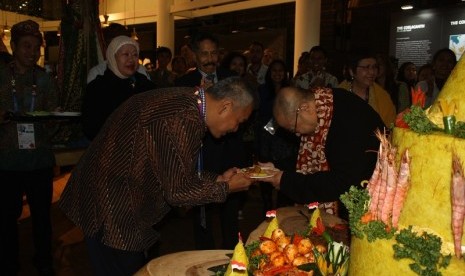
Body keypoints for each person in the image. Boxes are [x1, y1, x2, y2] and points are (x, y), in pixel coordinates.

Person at [59, 76, 257, 275]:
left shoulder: (187, 100)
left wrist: (217, 179)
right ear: (225, 106)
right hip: (111, 208)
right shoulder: (182, 117)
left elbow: (175, 168)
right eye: (239, 121)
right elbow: (178, 191)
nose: (235, 129)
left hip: (113, 198)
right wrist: (227, 188)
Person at [260, 86, 385, 219]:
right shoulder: (323, 105)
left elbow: (340, 183)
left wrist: (284, 180)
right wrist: (277, 168)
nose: (296, 134)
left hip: (370, 203)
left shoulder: (347, 119)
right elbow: (307, 158)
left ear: (304, 108)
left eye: (293, 127)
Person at [175, 32, 247, 250]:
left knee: (230, 212)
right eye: (204, 53)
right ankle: (205, 256)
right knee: (202, 212)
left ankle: (232, 256)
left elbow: (244, 112)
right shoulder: (183, 83)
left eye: (213, 53)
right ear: (195, 56)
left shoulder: (232, 79)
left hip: (229, 153)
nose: (209, 58)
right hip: (201, 156)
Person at [0, 20, 58, 276]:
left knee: (42, 219)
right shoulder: (1, 77)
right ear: (13, 46)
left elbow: (55, 118)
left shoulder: (45, 80)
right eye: (25, 45)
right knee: (5, 220)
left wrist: (53, 118)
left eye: (35, 47)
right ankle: (9, 264)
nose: (31, 51)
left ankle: (44, 262)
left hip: (39, 161)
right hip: (6, 161)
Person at [81, 35, 155, 141]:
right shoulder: (97, 87)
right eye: (126, 54)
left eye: (135, 55)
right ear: (113, 57)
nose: (131, 59)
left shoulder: (145, 84)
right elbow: (91, 127)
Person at [255, 60, 300, 213]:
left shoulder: (291, 90)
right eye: (274, 70)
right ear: (269, 73)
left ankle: (282, 211)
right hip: (266, 136)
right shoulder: (262, 90)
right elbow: (258, 114)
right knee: (265, 173)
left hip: (284, 138)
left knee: (283, 171)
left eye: (281, 70)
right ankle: (267, 210)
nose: (277, 73)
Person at [339, 51, 396, 126]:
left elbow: (390, 128)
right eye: (366, 67)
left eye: (374, 67)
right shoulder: (339, 95)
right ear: (352, 71)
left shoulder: (382, 97)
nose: (372, 72)